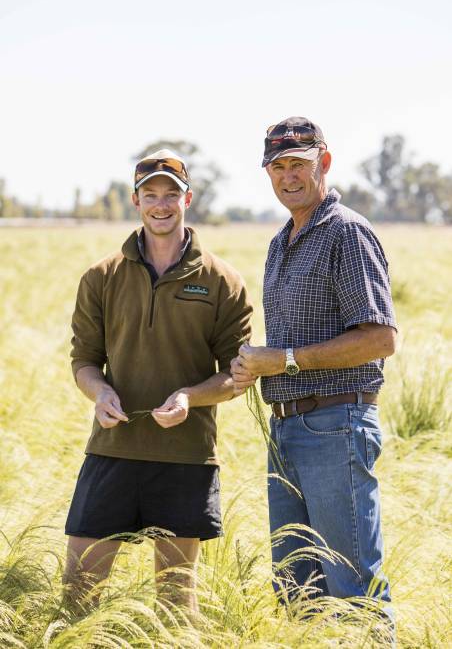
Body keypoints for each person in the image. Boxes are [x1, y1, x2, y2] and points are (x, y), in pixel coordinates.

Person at [64, 149, 252, 616]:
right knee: (78, 595)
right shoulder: (101, 276)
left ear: (188, 198)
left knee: (174, 604)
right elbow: (84, 360)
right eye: (151, 194)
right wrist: (99, 391)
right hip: (111, 451)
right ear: (135, 200)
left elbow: (237, 374)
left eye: (171, 194)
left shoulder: (223, 281)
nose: (161, 204)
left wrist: (190, 396)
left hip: (185, 457)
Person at [231, 117, 397, 613]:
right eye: (278, 167)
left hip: (335, 427)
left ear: (323, 162)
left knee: (352, 589)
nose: (289, 177)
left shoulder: (346, 233)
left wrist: (282, 360)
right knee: (298, 590)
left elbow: (381, 338)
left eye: (299, 164)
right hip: (285, 433)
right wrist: (257, 364)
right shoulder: (280, 243)